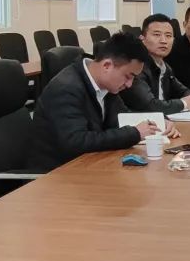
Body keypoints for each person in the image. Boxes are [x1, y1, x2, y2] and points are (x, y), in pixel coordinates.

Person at [28, 33, 162, 171]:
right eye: (128, 76)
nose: (129, 84)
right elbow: (76, 141)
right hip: (56, 174)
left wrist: (160, 123)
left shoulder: (106, 84)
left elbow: (122, 118)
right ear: (107, 65)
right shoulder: (65, 88)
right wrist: (135, 133)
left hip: (90, 164)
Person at [120, 14, 190, 116]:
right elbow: (150, 106)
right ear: (142, 39)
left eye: (168, 36)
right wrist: (184, 103)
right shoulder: (137, 68)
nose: (163, 41)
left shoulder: (165, 67)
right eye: (157, 35)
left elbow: (183, 91)